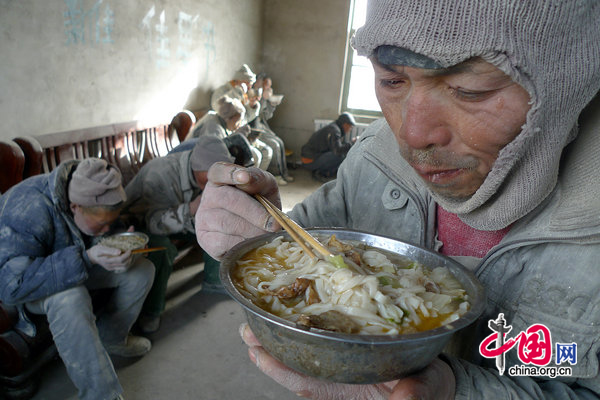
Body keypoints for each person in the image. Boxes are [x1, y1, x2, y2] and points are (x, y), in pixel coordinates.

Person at [195, 0, 600, 398]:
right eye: (391, 81)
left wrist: (457, 393)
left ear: (564, 83)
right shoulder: (373, 158)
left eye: (469, 89)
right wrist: (249, 227)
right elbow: (303, 247)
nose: (411, 133)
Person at [0, 158, 155, 400]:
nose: (107, 228)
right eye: (102, 224)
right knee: (71, 297)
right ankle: (101, 394)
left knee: (141, 270)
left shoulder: (90, 191)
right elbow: (12, 285)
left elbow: (108, 227)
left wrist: (120, 244)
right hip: (27, 286)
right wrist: (86, 257)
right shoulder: (28, 208)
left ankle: (112, 337)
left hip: (75, 264)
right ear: (75, 207)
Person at [121, 135, 236, 333]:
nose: (215, 181)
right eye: (209, 176)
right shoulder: (160, 173)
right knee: (163, 249)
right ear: (196, 167)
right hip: (138, 224)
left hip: (178, 219)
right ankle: (151, 312)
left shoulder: (202, 173)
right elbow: (154, 222)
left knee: (219, 224)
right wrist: (191, 208)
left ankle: (214, 280)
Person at [250, 73, 294, 186]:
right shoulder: (253, 93)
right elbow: (254, 115)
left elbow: (266, 116)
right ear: (260, 83)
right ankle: (276, 175)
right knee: (274, 145)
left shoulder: (264, 95)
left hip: (262, 126)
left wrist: (272, 104)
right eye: (266, 85)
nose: (268, 88)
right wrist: (263, 100)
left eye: (270, 86)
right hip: (253, 128)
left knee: (279, 142)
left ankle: (284, 173)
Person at [301, 112, 356, 182]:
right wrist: (352, 143)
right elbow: (338, 151)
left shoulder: (334, 127)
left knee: (341, 153)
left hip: (312, 157)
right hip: (309, 160)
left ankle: (324, 172)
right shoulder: (335, 131)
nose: (350, 129)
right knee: (340, 156)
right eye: (350, 126)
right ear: (345, 124)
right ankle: (320, 173)